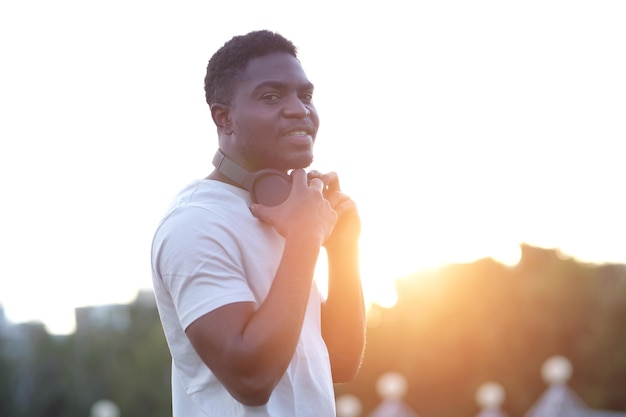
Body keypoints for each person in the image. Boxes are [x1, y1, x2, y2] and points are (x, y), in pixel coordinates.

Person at [151, 30, 366, 417]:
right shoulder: (195, 223)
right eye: (272, 97)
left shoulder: (291, 211)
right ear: (224, 118)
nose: (299, 110)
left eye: (305, 95)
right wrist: (305, 236)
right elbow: (251, 379)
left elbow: (340, 362)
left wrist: (343, 249)